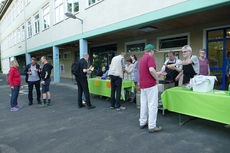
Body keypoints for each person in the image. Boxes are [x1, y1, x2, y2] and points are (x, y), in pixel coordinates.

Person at [139, 44, 162, 133]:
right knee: (152, 105)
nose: (153, 53)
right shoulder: (150, 58)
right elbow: (151, 70)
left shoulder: (142, 59)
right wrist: (157, 78)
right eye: (153, 52)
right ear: (151, 51)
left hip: (143, 85)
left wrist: (158, 72)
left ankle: (142, 122)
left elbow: (148, 71)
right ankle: (152, 126)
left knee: (144, 104)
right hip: (150, 85)